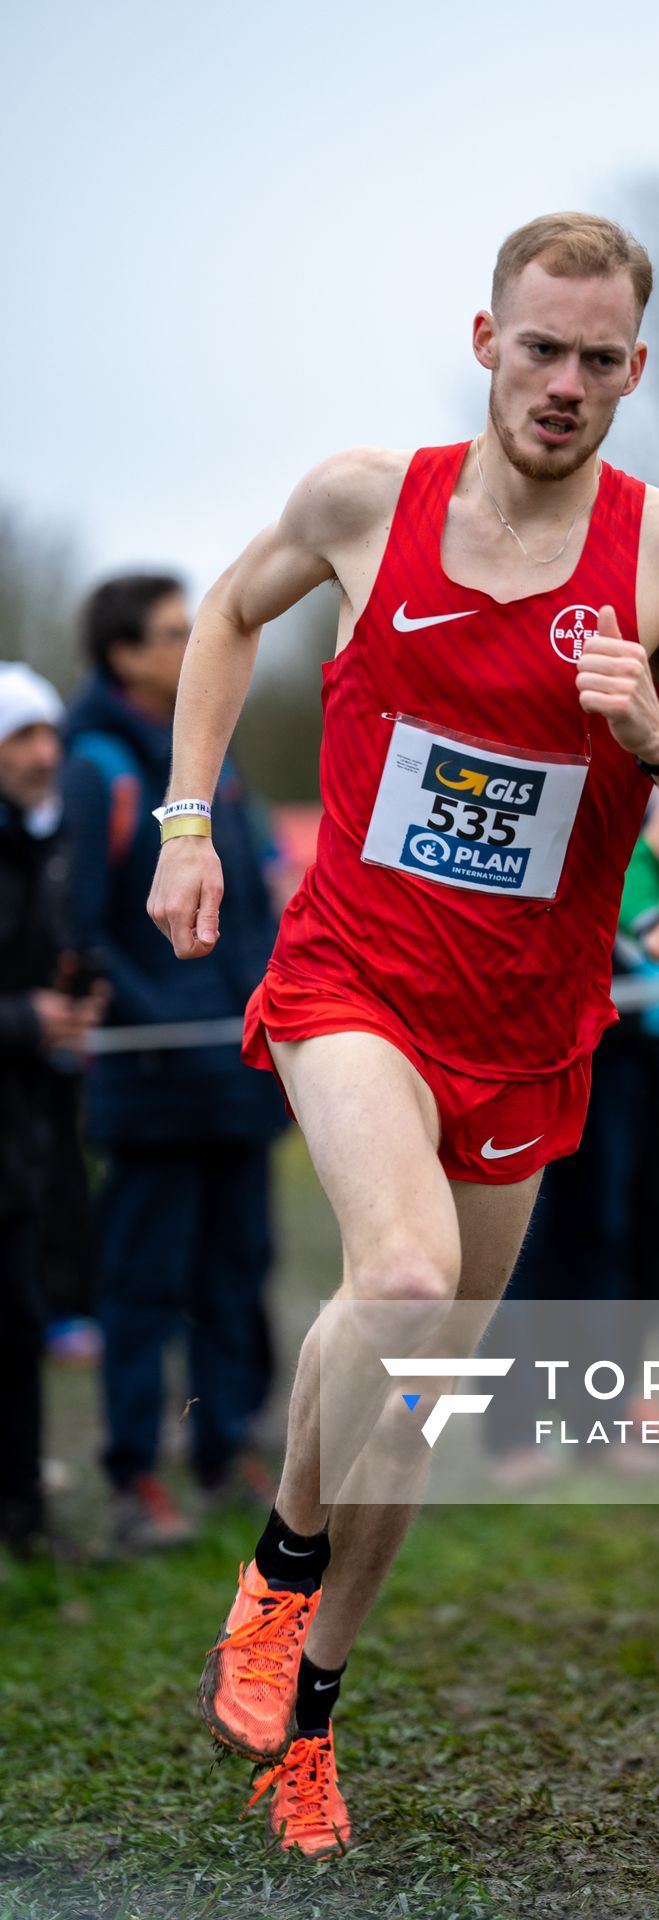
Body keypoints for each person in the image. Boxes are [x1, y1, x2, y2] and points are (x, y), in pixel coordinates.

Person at [146, 213, 659, 1857]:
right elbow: (228, 615)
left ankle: (308, 1721)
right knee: (404, 1279)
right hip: (355, 978)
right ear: (486, 342)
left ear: (636, 370)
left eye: (597, 359)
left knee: (414, 1394)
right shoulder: (369, 501)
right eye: (539, 347)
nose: (564, 381)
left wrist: (657, 734)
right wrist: (188, 822)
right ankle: (276, 1575)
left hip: (529, 1024)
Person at [62, 575, 286, 1553]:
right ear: (122, 655)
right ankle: (134, 1475)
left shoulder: (214, 757)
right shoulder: (95, 767)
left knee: (238, 1271)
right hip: (150, 1082)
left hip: (236, 1071)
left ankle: (225, 1450)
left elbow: (256, 907)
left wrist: (265, 1010)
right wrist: (171, 1024)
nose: (194, 642)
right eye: (171, 632)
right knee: (142, 1286)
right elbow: (80, 932)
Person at [0, 665, 106, 1557]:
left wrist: (75, 995)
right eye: (22, 739)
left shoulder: (49, 840)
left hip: (23, 1133)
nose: (45, 756)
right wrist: (23, 1020)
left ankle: (23, 1513)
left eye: (49, 737)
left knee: (19, 1322)